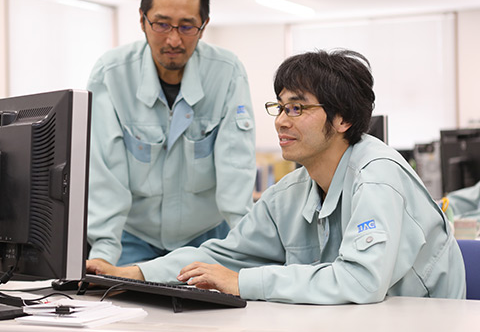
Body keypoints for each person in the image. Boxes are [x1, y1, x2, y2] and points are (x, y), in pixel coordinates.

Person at [87, 49, 466, 304]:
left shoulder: (377, 178)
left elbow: (359, 281)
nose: (281, 121)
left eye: (298, 108)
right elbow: (222, 256)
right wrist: (133, 273)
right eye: (280, 107)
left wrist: (244, 282)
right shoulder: (290, 192)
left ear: (343, 119)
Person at [86, 0, 256, 268]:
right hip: (131, 239)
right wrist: (103, 252)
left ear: (203, 27)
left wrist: (247, 249)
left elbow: (236, 165)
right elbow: (104, 171)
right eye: (161, 24)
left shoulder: (227, 72)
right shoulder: (111, 74)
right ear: (142, 20)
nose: (174, 40)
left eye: (187, 26)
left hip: (206, 239)